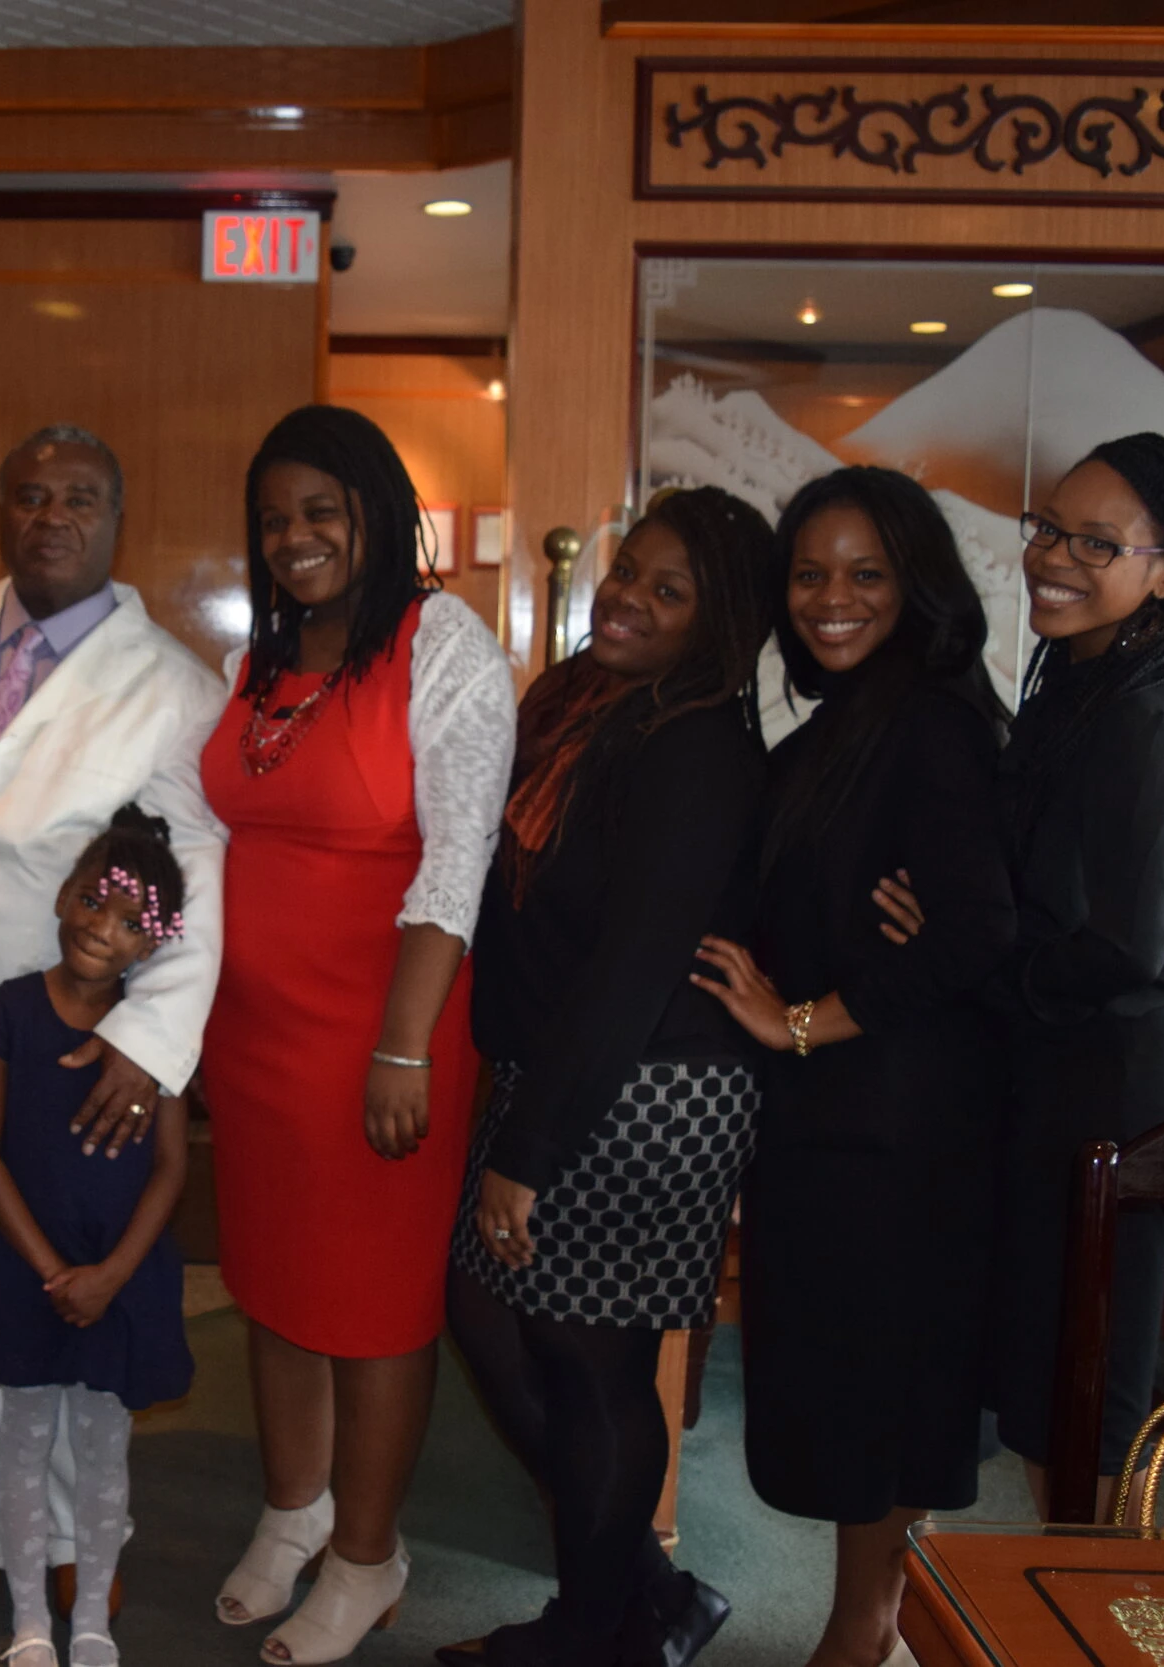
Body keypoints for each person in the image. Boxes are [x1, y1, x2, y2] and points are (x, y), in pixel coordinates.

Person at [0, 423, 226, 1628]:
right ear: (1, 511)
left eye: (79, 497)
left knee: (76, 1307)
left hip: (74, 1057)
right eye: (29, 495)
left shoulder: (173, 684)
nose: (50, 516)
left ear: (114, 520)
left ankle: (78, 1533)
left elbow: (197, 862)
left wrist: (155, 1042)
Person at [875, 433, 1164, 1511]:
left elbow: (1124, 946)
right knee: (1057, 1397)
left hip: (1116, 1090)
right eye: (1046, 526)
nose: (1051, 555)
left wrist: (961, 950)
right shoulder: (1087, 682)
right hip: (1063, 1078)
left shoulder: (1138, 707)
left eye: (1095, 541)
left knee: (1087, 1410)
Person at [197, 405, 512, 1666]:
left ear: (378, 513)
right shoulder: (262, 664)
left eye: (321, 510)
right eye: (274, 518)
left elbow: (458, 855)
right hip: (256, 1038)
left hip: (385, 1033)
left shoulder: (444, 645)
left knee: (374, 1308)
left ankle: (370, 1555)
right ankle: (294, 1509)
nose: (294, 538)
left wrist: (400, 1046)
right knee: (273, 1286)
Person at [440, 487, 776, 1667]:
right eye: (629, 570)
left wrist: (527, 1154)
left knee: (593, 1366)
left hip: (644, 1090)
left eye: (666, 589)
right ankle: (642, 1595)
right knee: (499, 1319)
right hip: (572, 1066)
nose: (627, 596)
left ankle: (594, 1631)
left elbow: (632, 966)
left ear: (717, 622)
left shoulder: (694, 746)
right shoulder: (587, 708)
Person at [684, 467, 1014, 1667]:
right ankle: (863, 1624)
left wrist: (804, 1020)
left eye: (865, 572)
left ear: (914, 584)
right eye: (809, 573)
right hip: (843, 1125)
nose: (831, 597)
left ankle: (856, 1634)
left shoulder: (925, 718)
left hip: (894, 1131)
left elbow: (975, 931)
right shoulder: (848, 723)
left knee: (874, 1400)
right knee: (853, 1397)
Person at [0, 806, 198, 1667]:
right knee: (23, 1435)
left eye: (131, 922)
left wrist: (113, 1275)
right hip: (25, 1269)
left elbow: (169, 1167)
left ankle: (90, 1620)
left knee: (102, 1446)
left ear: (152, 945)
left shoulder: (155, 1037)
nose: (102, 928)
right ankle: (29, 1623)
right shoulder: (10, 1011)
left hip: (119, 1274)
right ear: (62, 897)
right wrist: (54, 1272)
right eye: (93, 901)